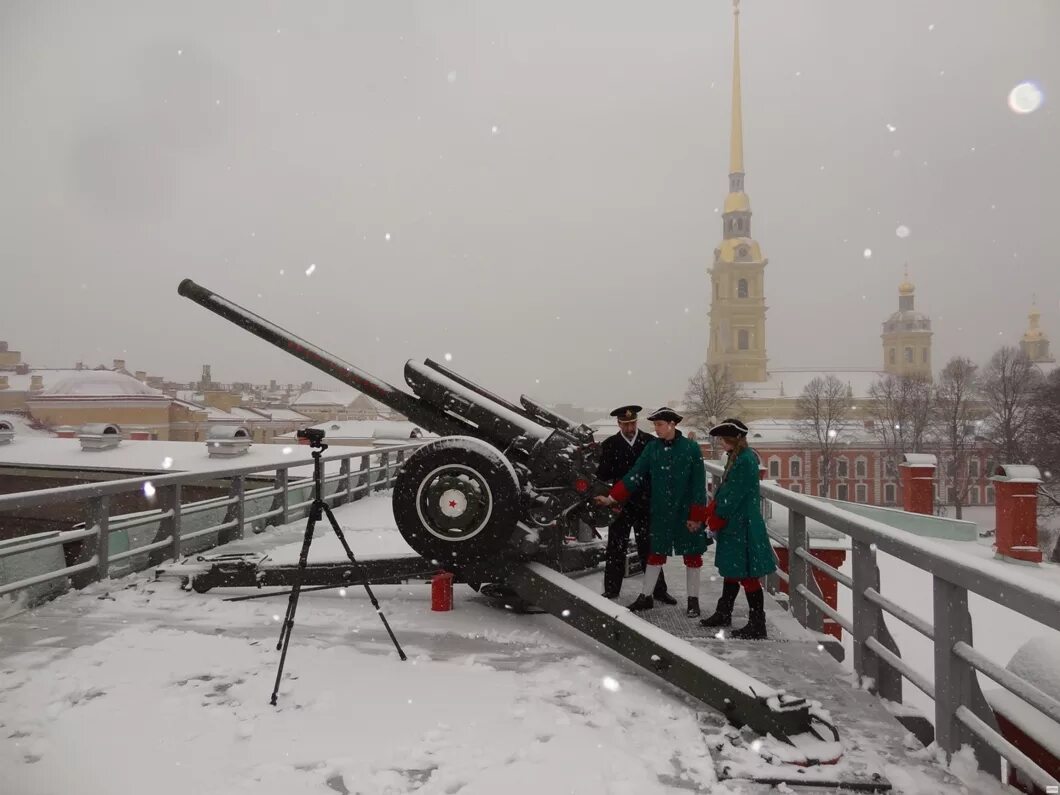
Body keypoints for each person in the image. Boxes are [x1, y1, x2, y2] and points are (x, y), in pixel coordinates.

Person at [595, 407, 710, 618]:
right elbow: (634, 475)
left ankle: (693, 601)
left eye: (659, 425)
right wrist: (612, 497)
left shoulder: (691, 449)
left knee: (692, 556)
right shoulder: (652, 448)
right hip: (660, 512)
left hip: (685, 513)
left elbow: (698, 486)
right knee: (654, 554)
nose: (656, 429)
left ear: (672, 424)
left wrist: (697, 516)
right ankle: (646, 596)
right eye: (655, 425)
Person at [697, 418, 777, 640]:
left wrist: (717, 515)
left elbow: (734, 495)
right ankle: (724, 612)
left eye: (724, 439)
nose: (721, 443)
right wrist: (715, 508)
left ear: (734, 439)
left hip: (743, 525)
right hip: (737, 524)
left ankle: (757, 624)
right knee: (733, 570)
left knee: (748, 575)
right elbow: (728, 491)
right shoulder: (737, 458)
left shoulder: (744, 461)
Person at [596, 404, 674, 604]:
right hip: (619, 504)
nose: (629, 428)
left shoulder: (650, 442)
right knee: (615, 548)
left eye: (632, 423)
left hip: (645, 503)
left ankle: (658, 590)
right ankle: (612, 590)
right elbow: (602, 477)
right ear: (618, 424)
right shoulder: (609, 445)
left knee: (649, 548)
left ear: (636, 422)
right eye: (625, 424)